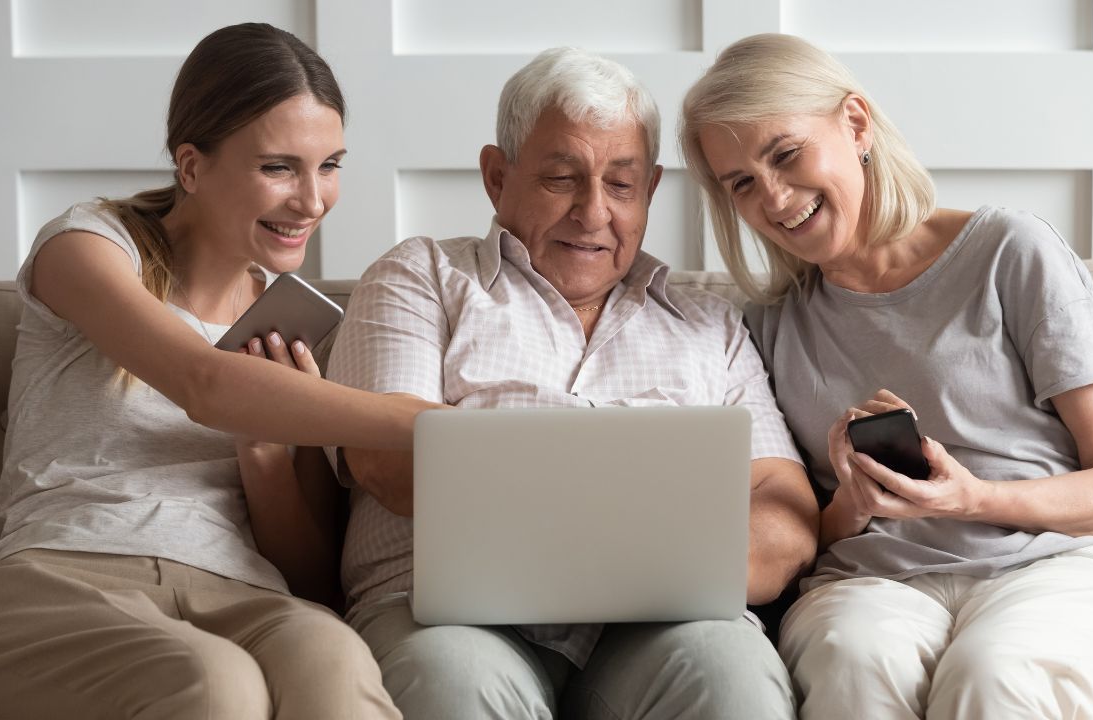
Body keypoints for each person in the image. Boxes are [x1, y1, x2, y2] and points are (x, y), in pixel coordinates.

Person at [679, 33, 1093, 719]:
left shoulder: (1008, 252)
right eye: (743, 184)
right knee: (851, 659)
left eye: (785, 155)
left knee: (993, 673)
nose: (776, 198)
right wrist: (853, 499)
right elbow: (805, 534)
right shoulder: (769, 327)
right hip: (872, 584)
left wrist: (971, 499)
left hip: (1050, 570)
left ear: (855, 123)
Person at [324, 47, 820, 719]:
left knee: (732, 673)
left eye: (621, 184)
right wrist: (644, 526)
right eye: (562, 177)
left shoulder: (711, 326)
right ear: (497, 177)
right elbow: (389, 462)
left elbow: (783, 513)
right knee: (454, 683)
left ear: (649, 189)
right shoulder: (421, 278)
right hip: (445, 619)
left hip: (657, 623)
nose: (593, 212)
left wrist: (648, 565)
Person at [0, 23, 431, 720]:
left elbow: (307, 578)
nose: (313, 199)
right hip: (63, 581)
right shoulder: (86, 248)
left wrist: (265, 457)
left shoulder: (292, 328)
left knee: (333, 658)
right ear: (192, 167)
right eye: (278, 167)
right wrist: (436, 423)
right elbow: (203, 383)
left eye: (329, 165)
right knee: (215, 684)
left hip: (241, 594)